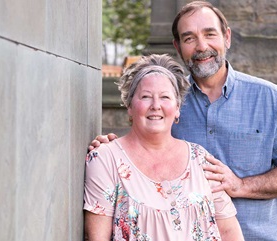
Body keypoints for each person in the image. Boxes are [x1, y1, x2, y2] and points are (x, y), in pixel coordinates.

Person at [89, 1, 277, 240]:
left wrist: (241, 185)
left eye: (210, 34)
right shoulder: (169, 102)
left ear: (226, 37)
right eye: (189, 38)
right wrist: (110, 150)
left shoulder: (268, 97)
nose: (202, 46)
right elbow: (141, 154)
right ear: (178, 46)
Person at [84, 54, 244, 240]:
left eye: (165, 97)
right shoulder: (105, 159)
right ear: (129, 105)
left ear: (177, 108)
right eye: (145, 97)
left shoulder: (200, 158)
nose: (156, 105)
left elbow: (229, 232)